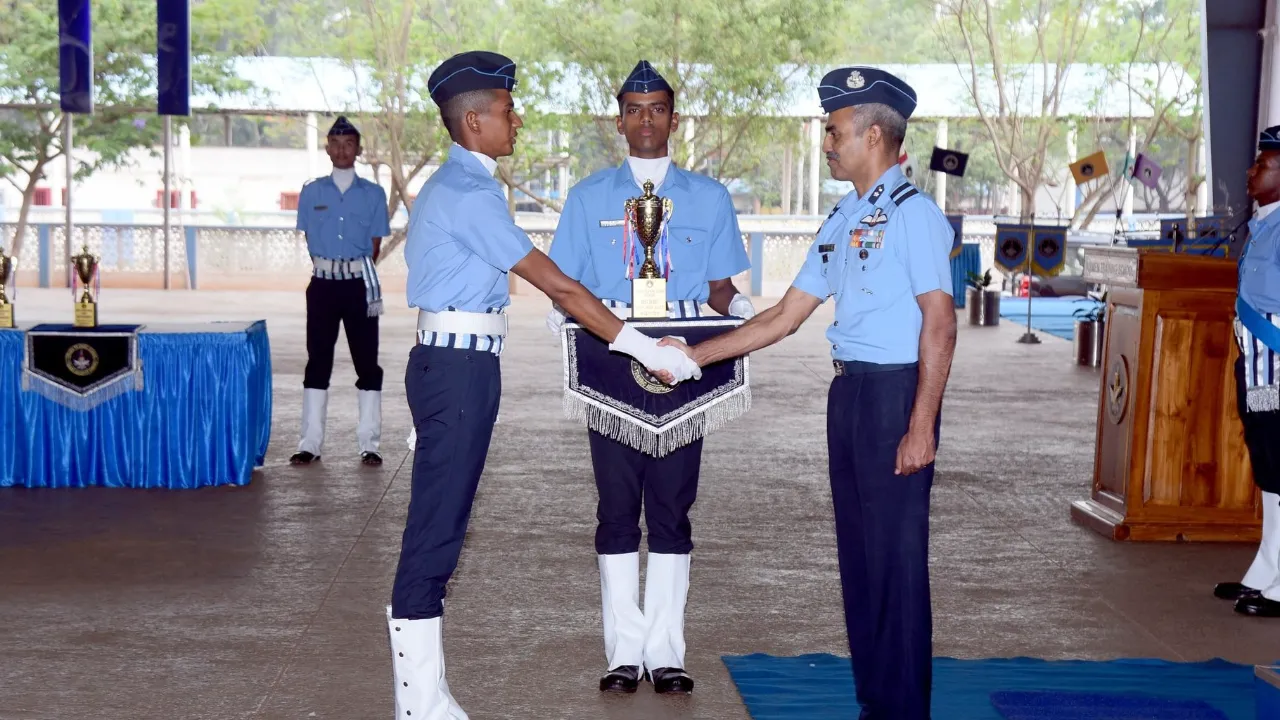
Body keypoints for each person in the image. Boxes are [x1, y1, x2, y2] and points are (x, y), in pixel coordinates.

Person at [384, 50, 699, 719]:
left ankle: (430, 695)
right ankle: (417, 706)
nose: (516, 119)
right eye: (505, 110)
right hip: (459, 368)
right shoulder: (468, 194)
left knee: (443, 526)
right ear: (472, 122)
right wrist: (645, 346)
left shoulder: (462, 186)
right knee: (436, 532)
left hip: (462, 362)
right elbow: (554, 282)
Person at [665, 67, 957, 719]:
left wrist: (922, 424)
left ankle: (904, 710)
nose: (826, 142)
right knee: (859, 562)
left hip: (895, 397)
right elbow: (783, 316)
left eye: (835, 130)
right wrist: (696, 356)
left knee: (897, 566)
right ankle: (876, 704)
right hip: (849, 397)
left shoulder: (915, 217)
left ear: (874, 134)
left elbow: (940, 322)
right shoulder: (845, 217)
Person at [545, 59, 753, 696]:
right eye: (634, 109)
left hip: (682, 367)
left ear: (673, 118)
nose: (645, 119)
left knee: (671, 510)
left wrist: (739, 310)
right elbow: (564, 289)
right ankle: (622, 652)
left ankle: (666, 651)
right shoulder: (586, 199)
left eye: (657, 108)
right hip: (611, 366)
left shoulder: (709, 198)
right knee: (614, 512)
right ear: (619, 120)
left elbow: (721, 285)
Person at [291, 116, 390, 467]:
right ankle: (310, 442)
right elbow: (308, 237)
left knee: (367, 363)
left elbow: (375, 244)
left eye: (349, 143)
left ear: (358, 150)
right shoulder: (312, 192)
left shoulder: (374, 194)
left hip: (359, 287)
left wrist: (350, 269)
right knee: (318, 360)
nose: (342, 149)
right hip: (322, 286)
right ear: (327, 148)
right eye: (336, 143)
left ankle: (370, 443)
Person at [1213, 127, 1280, 617]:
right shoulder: (1265, 223)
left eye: (1263, 163)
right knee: (1270, 466)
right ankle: (1268, 568)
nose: (1251, 171)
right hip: (1258, 362)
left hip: (1276, 361)